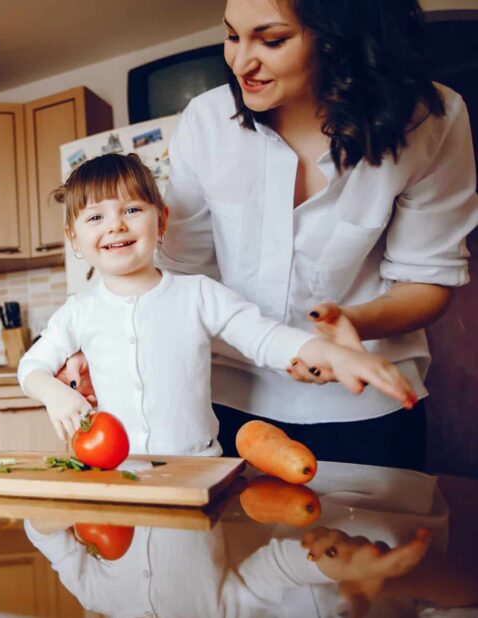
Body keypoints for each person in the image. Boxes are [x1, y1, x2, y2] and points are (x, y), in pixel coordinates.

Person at [59, 0, 478, 469]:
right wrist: (102, 335)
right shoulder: (207, 121)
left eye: (272, 40)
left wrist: (352, 325)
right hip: (225, 399)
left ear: (340, 39)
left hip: (362, 398)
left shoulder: (430, 123)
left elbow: (427, 279)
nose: (240, 62)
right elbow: (174, 268)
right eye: (232, 36)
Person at [18, 153, 416, 454]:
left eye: (132, 209)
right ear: (74, 239)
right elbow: (31, 366)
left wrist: (334, 354)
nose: (115, 225)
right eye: (95, 218)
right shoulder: (78, 310)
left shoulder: (199, 294)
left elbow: (266, 338)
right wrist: (56, 393)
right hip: (117, 476)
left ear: (161, 221)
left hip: (201, 470)